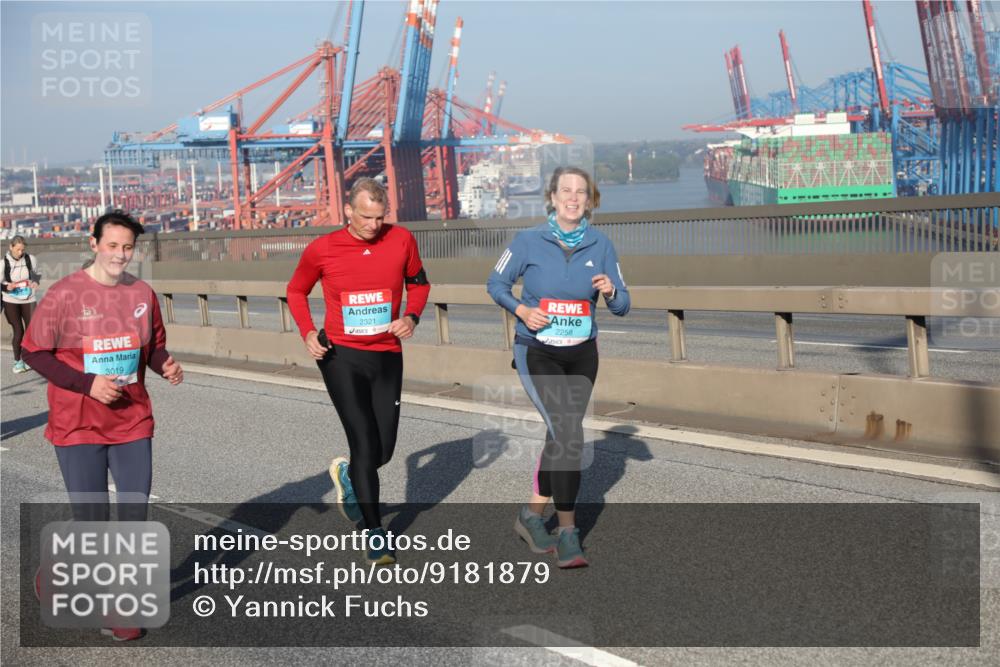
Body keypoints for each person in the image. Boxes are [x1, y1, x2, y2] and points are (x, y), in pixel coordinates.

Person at [21, 210, 183, 642]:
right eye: (111, 245)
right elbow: (34, 352)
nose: (120, 255)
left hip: (132, 421)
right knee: (91, 520)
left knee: (133, 516)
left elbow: (153, 347)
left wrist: (163, 363)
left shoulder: (142, 294)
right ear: (93, 244)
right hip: (77, 425)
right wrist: (88, 384)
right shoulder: (64, 294)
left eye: (127, 247)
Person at [487, 166, 630, 568]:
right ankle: (568, 531)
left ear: (590, 200)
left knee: (559, 433)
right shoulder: (528, 240)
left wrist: (611, 291)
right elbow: (495, 284)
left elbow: (623, 306)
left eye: (580, 192)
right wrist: (521, 309)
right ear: (551, 197)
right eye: (565, 190)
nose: (572, 197)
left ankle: (531, 515)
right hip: (537, 351)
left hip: (583, 354)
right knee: (569, 433)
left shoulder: (601, 244)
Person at [286, 178, 430, 566]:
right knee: (365, 445)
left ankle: (348, 475)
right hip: (341, 358)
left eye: (380, 217)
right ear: (348, 211)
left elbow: (419, 284)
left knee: (384, 450)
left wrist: (412, 316)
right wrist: (306, 333)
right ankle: (375, 531)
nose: (373, 225)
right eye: (366, 217)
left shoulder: (400, 240)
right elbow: (296, 291)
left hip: (386, 355)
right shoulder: (323, 249)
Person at [3, 235, 42, 373]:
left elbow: (37, 273)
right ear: (11, 247)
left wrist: (35, 282)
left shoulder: (30, 259)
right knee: (18, 330)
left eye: (22, 250)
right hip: (11, 300)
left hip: (29, 298)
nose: (20, 253)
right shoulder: (3, 263)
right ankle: (17, 362)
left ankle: (29, 358)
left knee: (32, 330)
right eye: (18, 250)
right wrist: (6, 287)